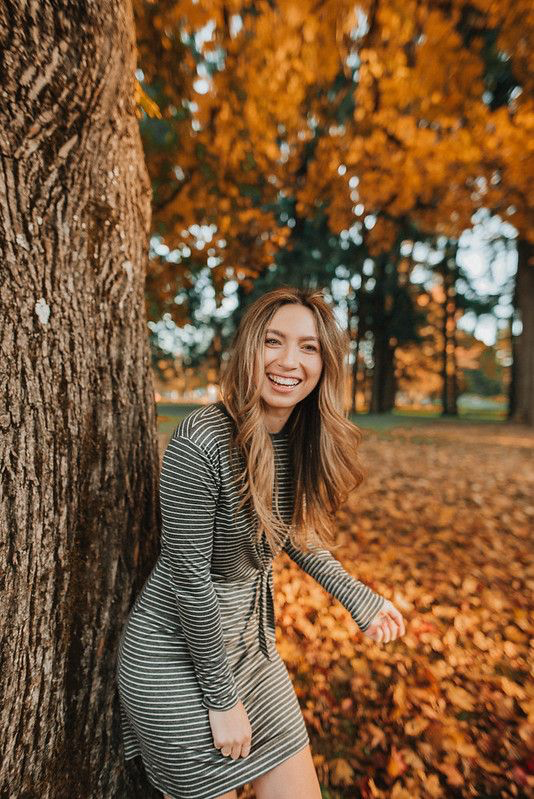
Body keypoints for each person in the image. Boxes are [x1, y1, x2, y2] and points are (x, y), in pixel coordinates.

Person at [116, 285, 406, 799]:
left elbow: (292, 531)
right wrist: (222, 700)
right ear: (251, 348)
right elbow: (189, 580)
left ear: (324, 364)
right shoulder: (200, 441)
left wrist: (358, 597)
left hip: (248, 649)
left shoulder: (298, 435)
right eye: (274, 341)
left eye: (308, 347)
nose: (289, 360)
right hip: (173, 656)